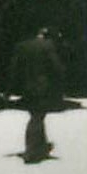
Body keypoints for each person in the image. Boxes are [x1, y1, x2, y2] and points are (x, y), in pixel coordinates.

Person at [10, 27, 66, 163]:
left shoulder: (21, 46)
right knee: (38, 116)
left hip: (27, 87)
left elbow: (14, 68)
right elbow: (56, 66)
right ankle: (32, 149)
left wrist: (10, 88)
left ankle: (40, 145)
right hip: (43, 86)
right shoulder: (47, 45)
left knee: (36, 114)